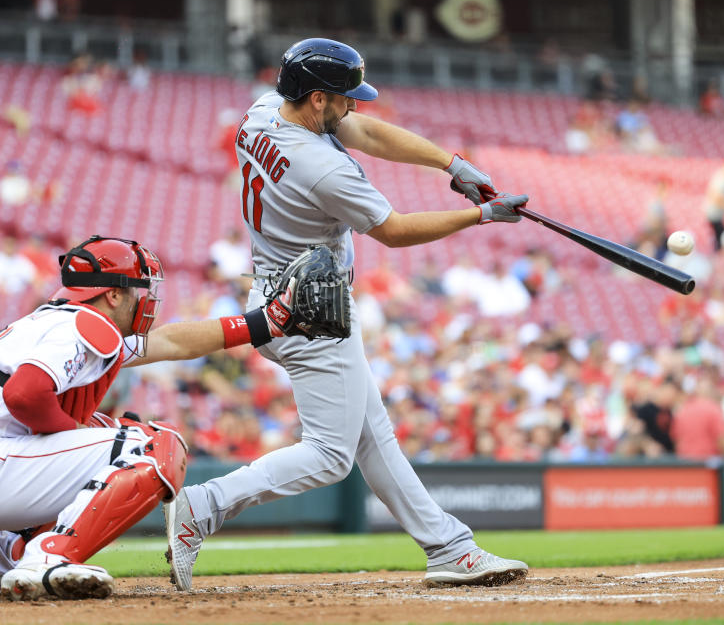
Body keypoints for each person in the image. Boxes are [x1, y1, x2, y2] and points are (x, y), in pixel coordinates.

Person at [164, 38, 530, 591]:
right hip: (312, 308)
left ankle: (449, 548)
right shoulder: (321, 169)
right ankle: (202, 507)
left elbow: (363, 130)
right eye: (342, 97)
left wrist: (450, 164)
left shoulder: (266, 108)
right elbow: (395, 230)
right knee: (332, 455)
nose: (352, 105)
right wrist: (480, 216)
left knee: (371, 437)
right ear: (316, 99)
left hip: (277, 290)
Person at [0, 235, 297, 601]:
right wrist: (70, 430)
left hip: (9, 461)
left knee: (107, 432)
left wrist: (262, 324)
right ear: (113, 294)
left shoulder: (54, 320)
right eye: (140, 289)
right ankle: (48, 557)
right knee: (155, 445)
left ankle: (12, 551)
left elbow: (173, 342)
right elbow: (24, 394)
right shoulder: (87, 325)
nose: (146, 299)